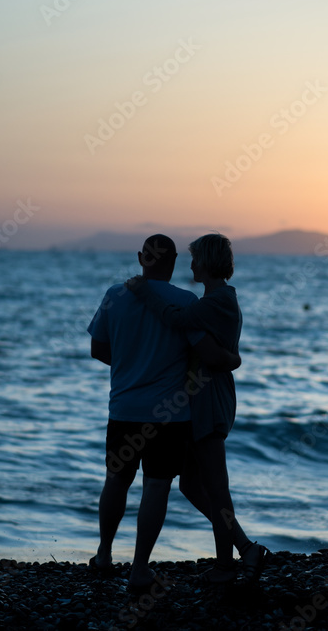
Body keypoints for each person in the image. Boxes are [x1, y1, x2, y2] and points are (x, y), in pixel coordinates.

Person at [86, 234, 241, 593]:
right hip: (170, 414)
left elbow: (98, 349)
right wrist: (233, 359)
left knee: (116, 481)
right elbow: (204, 351)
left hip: (124, 408)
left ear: (141, 257)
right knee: (156, 487)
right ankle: (140, 568)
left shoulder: (114, 295)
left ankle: (105, 555)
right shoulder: (186, 300)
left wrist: (129, 363)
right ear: (172, 262)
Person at [125, 233, 269, 585]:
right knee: (191, 484)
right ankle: (237, 549)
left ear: (206, 262)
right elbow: (215, 348)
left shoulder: (216, 302)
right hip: (199, 400)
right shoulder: (216, 299)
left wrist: (143, 290)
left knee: (217, 488)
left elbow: (176, 318)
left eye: (194, 260)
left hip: (209, 401)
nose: (190, 265)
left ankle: (234, 558)